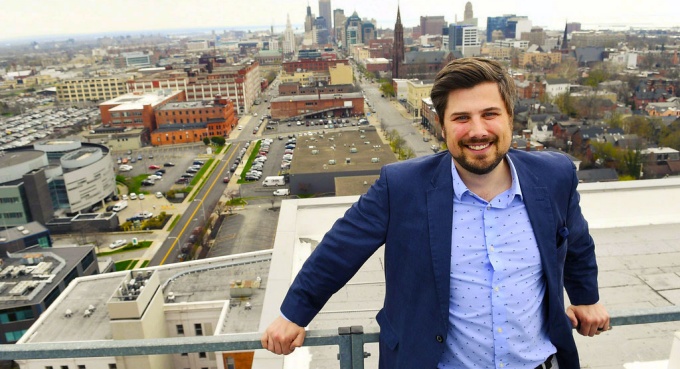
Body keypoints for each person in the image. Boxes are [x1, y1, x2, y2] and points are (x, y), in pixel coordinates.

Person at [261, 57, 610, 369]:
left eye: (490, 114)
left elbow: (576, 242)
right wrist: (294, 314)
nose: (477, 130)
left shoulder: (554, 176)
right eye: (461, 118)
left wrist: (586, 298)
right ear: (442, 126)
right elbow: (339, 250)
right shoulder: (402, 187)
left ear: (509, 119)